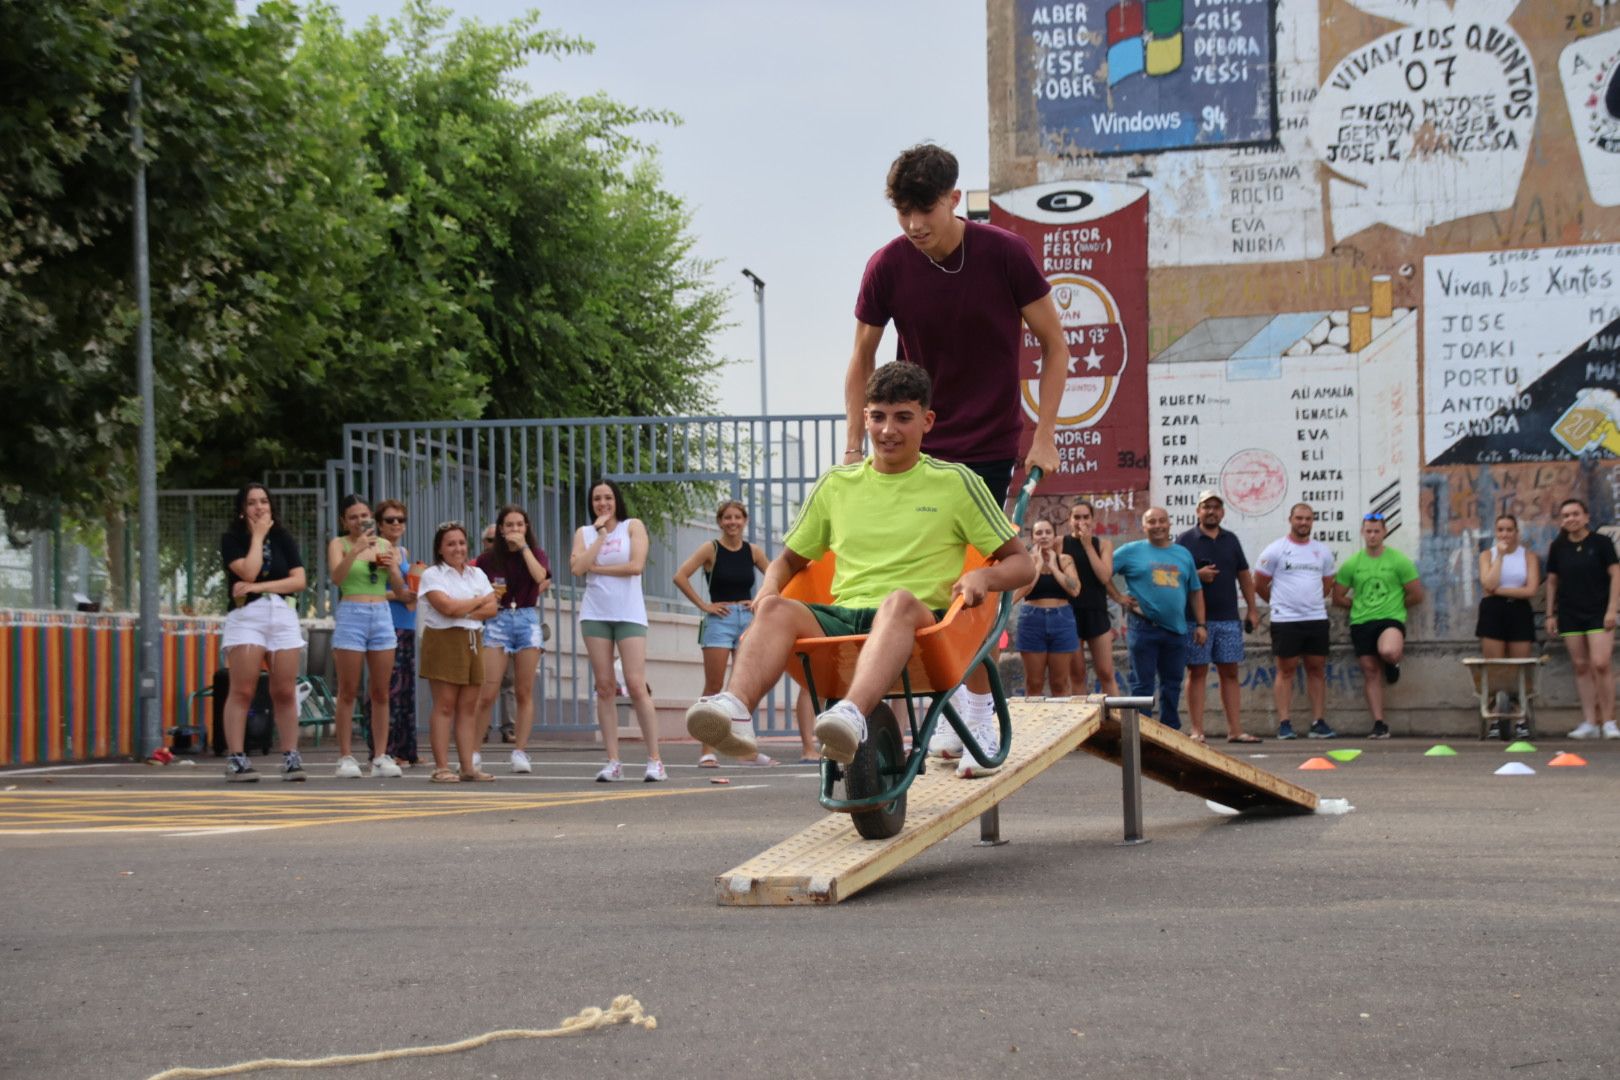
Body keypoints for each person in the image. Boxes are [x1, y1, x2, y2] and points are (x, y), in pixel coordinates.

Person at [684, 362, 1034, 778]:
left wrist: (983, 576)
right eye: (878, 417)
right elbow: (788, 561)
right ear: (865, 417)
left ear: (927, 420)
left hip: (924, 627)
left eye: (903, 417)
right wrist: (769, 590)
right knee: (776, 608)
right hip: (847, 620)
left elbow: (1022, 564)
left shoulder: (955, 482)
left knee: (898, 601)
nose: (888, 430)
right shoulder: (837, 486)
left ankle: (850, 715)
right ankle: (736, 708)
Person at [844, 142, 1069, 755]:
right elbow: (862, 358)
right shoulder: (888, 265)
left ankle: (968, 704)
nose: (915, 227)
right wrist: (850, 448)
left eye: (926, 212)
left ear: (953, 199)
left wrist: (1044, 432)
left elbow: (1055, 345)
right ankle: (944, 703)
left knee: (971, 576)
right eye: (902, 214)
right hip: (917, 444)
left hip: (989, 443)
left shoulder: (1005, 254)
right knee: (914, 576)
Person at [672, 500, 816, 766]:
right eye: (727, 518)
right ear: (720, 522)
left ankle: (746, 751)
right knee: (714, 686)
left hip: (748, 619)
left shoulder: (753, 551)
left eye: (737, 517)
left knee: (744, 686)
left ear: (745, 521)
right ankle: (707, 751)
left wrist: (761, 599)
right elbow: (680, 576)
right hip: (719, 620)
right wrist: (704, 605)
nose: (732, 522)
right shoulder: (710, 549)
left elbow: (779, 575)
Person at [570, 480, 665, 782]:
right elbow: (576, 568)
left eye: (608, 497)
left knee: (636, 685)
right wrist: (599, 536)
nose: (603, 503)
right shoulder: (584, 533)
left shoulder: (632, 526)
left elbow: (635, 566)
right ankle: (613, 761)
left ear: (616, 500)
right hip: (595, 613)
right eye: (597, 498)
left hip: (628, 613)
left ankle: (655, 761)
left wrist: (596, 568)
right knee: (604, 686)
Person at [219, 483, 309, 782]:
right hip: (247, 616)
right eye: (252, 503)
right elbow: (248, 571)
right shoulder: (232, 538)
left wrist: (259, 587)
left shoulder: (283, 537)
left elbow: (298, 580)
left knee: (284, 689)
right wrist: (257, 536)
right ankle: (236, 758)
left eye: (264, 502)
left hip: (281, 613)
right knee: (243, 689)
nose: (259, 507)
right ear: (242, 510)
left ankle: (291, 756)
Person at [327, 495, 405, 779]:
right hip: (352, 612)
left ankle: (381, 755)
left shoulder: (385, 544)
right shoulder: (340, 544)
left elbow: (399, 588)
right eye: (353, 517)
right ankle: (345, 756)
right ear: (344, 521)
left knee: (381, 691)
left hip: (381, 614)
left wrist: (392, 567)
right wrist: (356, 550)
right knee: (348, 690)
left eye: (364, 515)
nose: (360, 521)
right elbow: (337, 578)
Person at [1176, 490, 1261, 744]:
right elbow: (1174, 575)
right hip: (1195, 619)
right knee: (1197, 672)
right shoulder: (1185, 540)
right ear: (1197, 511)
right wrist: (1196, 575)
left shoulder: (1231, 540)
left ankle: (1235, 730)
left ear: (1222, 512)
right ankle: (1197, 731)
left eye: (1215, 507)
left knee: (1230, 672)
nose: (1211, 511)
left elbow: (1244, 576)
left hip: (1228, 618)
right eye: (1206, 507)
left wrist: (1253, 609)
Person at [418, 522, 498, 782]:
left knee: (468, 706)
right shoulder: (433, 575)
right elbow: (446, 608)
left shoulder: (477, 574)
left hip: (472, 638)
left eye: (461, 543)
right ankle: (441, 766)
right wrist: (477, 602)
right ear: (440, 549)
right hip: (443, 640)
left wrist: (464, 607)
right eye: (450, 544)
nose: (458, 548)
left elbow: (492, 608)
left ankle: (467, 767)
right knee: (445, 705)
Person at [1111, 507, 1204, 732]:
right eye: (1152, 522)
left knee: (1172, 685)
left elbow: (1195, 591)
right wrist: (1118, 596)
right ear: (1144, 526)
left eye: (1162, 521)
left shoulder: (1183, 554)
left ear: (1169, 524)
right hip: (1143, 629)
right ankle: (1142, 733)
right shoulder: (1130, 551)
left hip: (1177, 630)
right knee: (1142, 685)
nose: (1158, 526)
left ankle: (1170, 731)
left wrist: (1201, 624)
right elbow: (1102, 573)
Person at [474, 505, 552, 774]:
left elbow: (540, 576)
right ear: (501, 529)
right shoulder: (487, 560)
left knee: (524, 690)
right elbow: (475, 587)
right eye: (509, 525)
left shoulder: (536, 554)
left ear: (526, 528)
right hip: (498, 620)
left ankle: (520, 750)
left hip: (527, 619)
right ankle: (473, 752)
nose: (515, 530)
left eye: (520, 525)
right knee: (488, 691)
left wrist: (524, 549)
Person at [1333, 513, 1424, 739]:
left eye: (1376, 531)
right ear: (1363, 533)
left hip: (1390, 619)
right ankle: (1379, 723)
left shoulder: (1398, 561)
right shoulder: (1353, 563)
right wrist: (1357, 605)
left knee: (1389, 651)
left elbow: (1416, 594)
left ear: (1384, 532)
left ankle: (1393, 663)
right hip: (1362, 621)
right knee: (1371, 672)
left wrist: (1394, 606)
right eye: (1368, 531)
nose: (1372, 535)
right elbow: (1338, 596)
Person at [1254, 504, 1339, 740]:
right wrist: (1279, 602)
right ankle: (1284, 723)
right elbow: (1259, 584)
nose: (1303, 522)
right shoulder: (1276, 550)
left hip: (1316, 618)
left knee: (1316, 669)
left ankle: (1318, 722)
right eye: (1299, 518)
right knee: (1286, 670)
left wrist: (1309, 602)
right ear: (1290, 519)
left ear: (1313, 521)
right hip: (1286, 620)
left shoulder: (1322, 551)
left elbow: (1327, 583)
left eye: (1308, 519)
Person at [1544, 499, 1619, 739]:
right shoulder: (1558, 547)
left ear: (1586, 517)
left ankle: (1608, 720)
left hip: (1598, 612)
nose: (1571, 519)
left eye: (1575, 514)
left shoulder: (1602, 543)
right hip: (1570, 613)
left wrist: (1612, 609)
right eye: (1565, 515)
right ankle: (1589, 722)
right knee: (1580, 666)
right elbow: (1552, 581)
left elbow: (1616, 575)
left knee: (1601, 663)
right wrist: (1549, 614)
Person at [1474, 514, 1540, 738]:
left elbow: (1530, 590)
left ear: (1516, 532)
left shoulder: (1528, 556)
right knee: (1494, 667)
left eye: (1509, 530)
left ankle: (1520, 717)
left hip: (1519, 611)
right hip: (1493, 611)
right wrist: (1499, 557)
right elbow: (1487, 583)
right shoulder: (1487, 555)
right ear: (1495, 532)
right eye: (1500, 530)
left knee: (1519, 666)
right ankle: (1494, 718)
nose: (1505, 534)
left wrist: (1498, 591)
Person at [377, 499, 423, 766]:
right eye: (390, 520)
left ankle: (406, 750)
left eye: (400, 520)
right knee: (389, 688)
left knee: (405, 689)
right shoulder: (379, 551)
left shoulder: (402, 551)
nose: (396, 524)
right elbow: (371, 590)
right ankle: (387, 749)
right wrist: (400, 595)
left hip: (407, 621)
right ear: (380, 525)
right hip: (387, 622)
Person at [1013, 518, 1079, 696]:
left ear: (1054, 536)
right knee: (1034, 683)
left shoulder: (1064, 559)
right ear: (1033, 537)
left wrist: (1053, 566)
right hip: (1032, 619)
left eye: (1048, 532)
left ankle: (1063, 723)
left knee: (1060, 683)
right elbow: (1017, 595)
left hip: (1062, 619)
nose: (1043, 536)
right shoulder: (1027, 561)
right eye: (1039, 533)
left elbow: (1075, 590)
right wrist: (1039, 565)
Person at [1065, 499, 1120, 696]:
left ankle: (1118, 723)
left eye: (1086, 517)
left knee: (1106, 672)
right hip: (1069, 614)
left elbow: (1105, 576)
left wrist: (1088, 546)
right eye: (1077, 517)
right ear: (1069, 520)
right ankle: (1083, 723)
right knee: (1077, 674)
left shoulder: (1103, 544)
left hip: (1096, 612)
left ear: (1093, 520)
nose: (1081, 521)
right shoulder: (1060, 543)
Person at [482, 523, 518, 741]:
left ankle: (509, 728)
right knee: (482, 679)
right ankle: (482, 727)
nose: (495, 544)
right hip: (483, 622)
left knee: (508, 680)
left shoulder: (511, 563)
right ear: (484, 543)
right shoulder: (477, 565)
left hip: (507, 620)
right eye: (490, 540)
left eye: (499, 540)